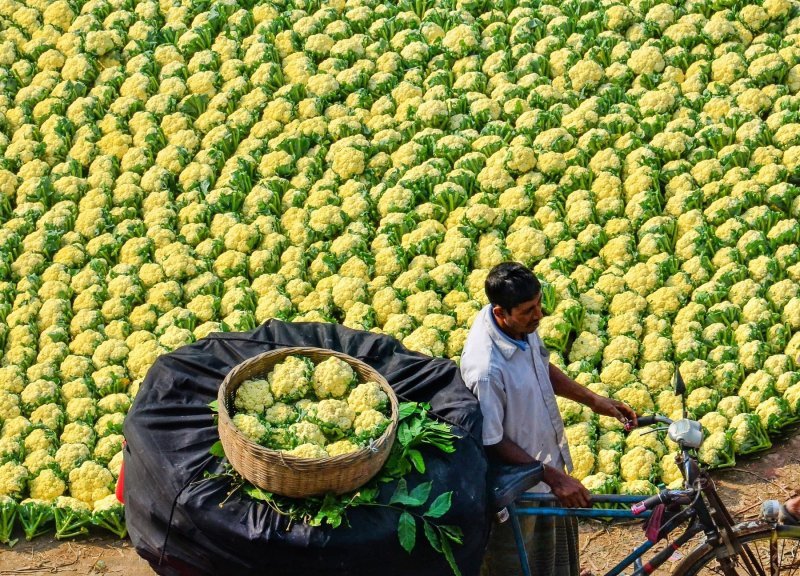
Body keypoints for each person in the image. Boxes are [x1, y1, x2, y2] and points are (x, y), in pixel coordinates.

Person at [460, 262, 638, 576]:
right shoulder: (486, 370)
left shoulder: (519, 327)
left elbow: (541, 366)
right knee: (524, 563)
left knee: (554, 560)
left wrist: (593, 400)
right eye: (529, 310)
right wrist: (552, 477)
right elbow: (492, 440)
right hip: (521, 488)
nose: (539, 315)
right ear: (501, 312)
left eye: (539, 304)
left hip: (547, 471)